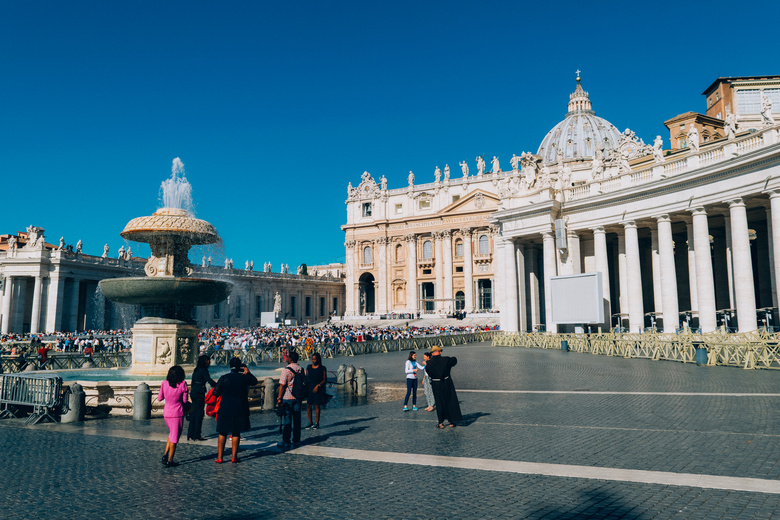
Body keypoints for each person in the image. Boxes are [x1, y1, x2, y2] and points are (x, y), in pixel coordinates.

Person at [213, 357, 258, 463]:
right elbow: (254, 382)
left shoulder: (224, 378)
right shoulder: (244, 378)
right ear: (240, 367)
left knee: (222, 432)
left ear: (230, 366)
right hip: (240, 408)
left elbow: (216, 392)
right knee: (236, 433)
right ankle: (234, 457)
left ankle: (219, 457)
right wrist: (248, 372)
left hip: (225, 408)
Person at [158, 365, 189, 467]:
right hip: (177, 414)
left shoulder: (164, 383)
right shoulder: (183, 384)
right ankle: (170, 460)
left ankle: (165, 455)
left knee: (172, 434)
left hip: (167, 413)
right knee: (175, 438)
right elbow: (185, 400)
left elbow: (159, 398)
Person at [424, 345, 462, 428]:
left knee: (439, 402)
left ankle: (440, 422)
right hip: (446, 382)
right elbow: (454, 360)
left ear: (432, 353)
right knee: (449, 400)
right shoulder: (446, 359)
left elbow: (429, 373)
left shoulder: (429, 363)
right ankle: (451, 421)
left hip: (436, 384)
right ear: (440, 352)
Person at [277, 350, 303, 449]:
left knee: (287, 420)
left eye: (287, 357)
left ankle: (286, 441)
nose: (286, 358)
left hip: (287, 398)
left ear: (290, 359)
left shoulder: (286, 370)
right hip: (297, 397)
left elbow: (282, 386)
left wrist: (279, 399)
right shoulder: (301, 369)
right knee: (297, 420)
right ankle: (296, 440)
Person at [187, 355, 217, 441]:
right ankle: (197, 434)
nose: (208, 362)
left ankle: (190, 433)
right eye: (207, 360)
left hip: (194, 391)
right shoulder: (204, 370)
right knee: (199, 413)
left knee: (193, 412)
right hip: (199, 391)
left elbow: (192, 382)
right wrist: (218, 385)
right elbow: (210, 380)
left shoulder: (196, 369)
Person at [305, 352, 328, 430]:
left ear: (318, 359)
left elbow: (324, 379)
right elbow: (306, 377)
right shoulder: (308, 367)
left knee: (316, 405)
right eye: (312, 359)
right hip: (309, 388)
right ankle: (310, 422)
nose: (313, 361)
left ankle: (317, 423)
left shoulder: (322, 368)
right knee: (308, 405)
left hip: (318, 388)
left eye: (315, 359)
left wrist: (318, 385)